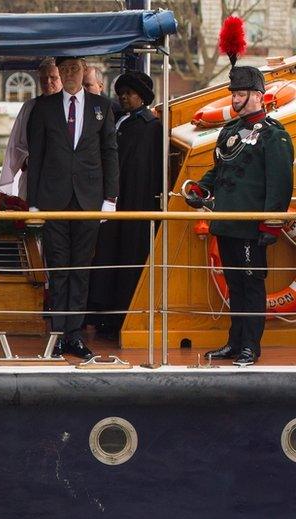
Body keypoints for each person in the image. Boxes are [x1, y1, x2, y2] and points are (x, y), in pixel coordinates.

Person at [186, 65, 294, 366]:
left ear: (259, 96)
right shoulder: (230, 132)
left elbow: (280, 186)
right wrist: (200, 189)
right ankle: (235, 342)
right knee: (234, 285)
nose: (236, 100)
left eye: (242, 94)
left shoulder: (276, 137)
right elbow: (219, 169)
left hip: (251, 228)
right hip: (226, 224)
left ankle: (250, 346)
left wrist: (270, 227)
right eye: (234, 93)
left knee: (251, 286)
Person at [27, 56, 119, 360]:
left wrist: (110, 199)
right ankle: (57, 334)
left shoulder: (101, 106)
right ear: (58, 73)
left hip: (89, 200)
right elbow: (36, 157)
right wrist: (34, 204)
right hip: (53, 199)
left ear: (84, 72)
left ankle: (75, 335)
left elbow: (110, 154)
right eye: (64, 70)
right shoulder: (43, 107)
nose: (69, 74)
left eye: (74, 69)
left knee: (81, 268)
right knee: (58, 268)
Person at [87, 71, 162, 340]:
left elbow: (145, 169)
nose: (124, 97)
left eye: (129, 93)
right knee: (108, 256)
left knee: (127, 257)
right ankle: (103, 311)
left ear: (141, 96)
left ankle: (120, 315)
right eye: (122, 93)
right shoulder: (125, 122)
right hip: (116, 201)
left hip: (134, 203)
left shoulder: (149, 127)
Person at [0, 58, 61, 199]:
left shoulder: (71, 107)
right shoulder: (30, 107)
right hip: (33, 175)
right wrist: (26, 159)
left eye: (53, 78)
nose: (48, 82)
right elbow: (16, 144)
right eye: (43, 78)